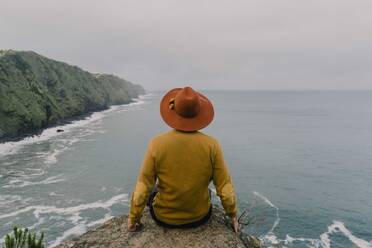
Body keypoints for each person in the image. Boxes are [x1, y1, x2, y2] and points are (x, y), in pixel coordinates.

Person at [127, 86, 239, 232]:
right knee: (208, 192)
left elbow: (143, 187)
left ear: (174, 111)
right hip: (199, 217)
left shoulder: (156, 144)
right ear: (199, 113)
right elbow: (225, 188)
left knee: (154, 188)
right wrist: (232, 215)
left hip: (163, 218)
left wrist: (134, 217)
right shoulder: (212, 145)